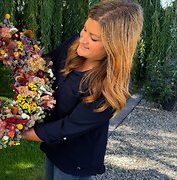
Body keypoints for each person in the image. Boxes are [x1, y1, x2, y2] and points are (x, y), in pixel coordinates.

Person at [21, 0, 144, 179]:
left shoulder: (109, 87)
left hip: (75, 161)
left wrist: (15, 132)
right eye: (85, 29)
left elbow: (67, 128)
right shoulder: (75, 45)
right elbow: (45, 64)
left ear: (115, 46)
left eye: (94, 38)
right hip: (52, 146)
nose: (83, 39)